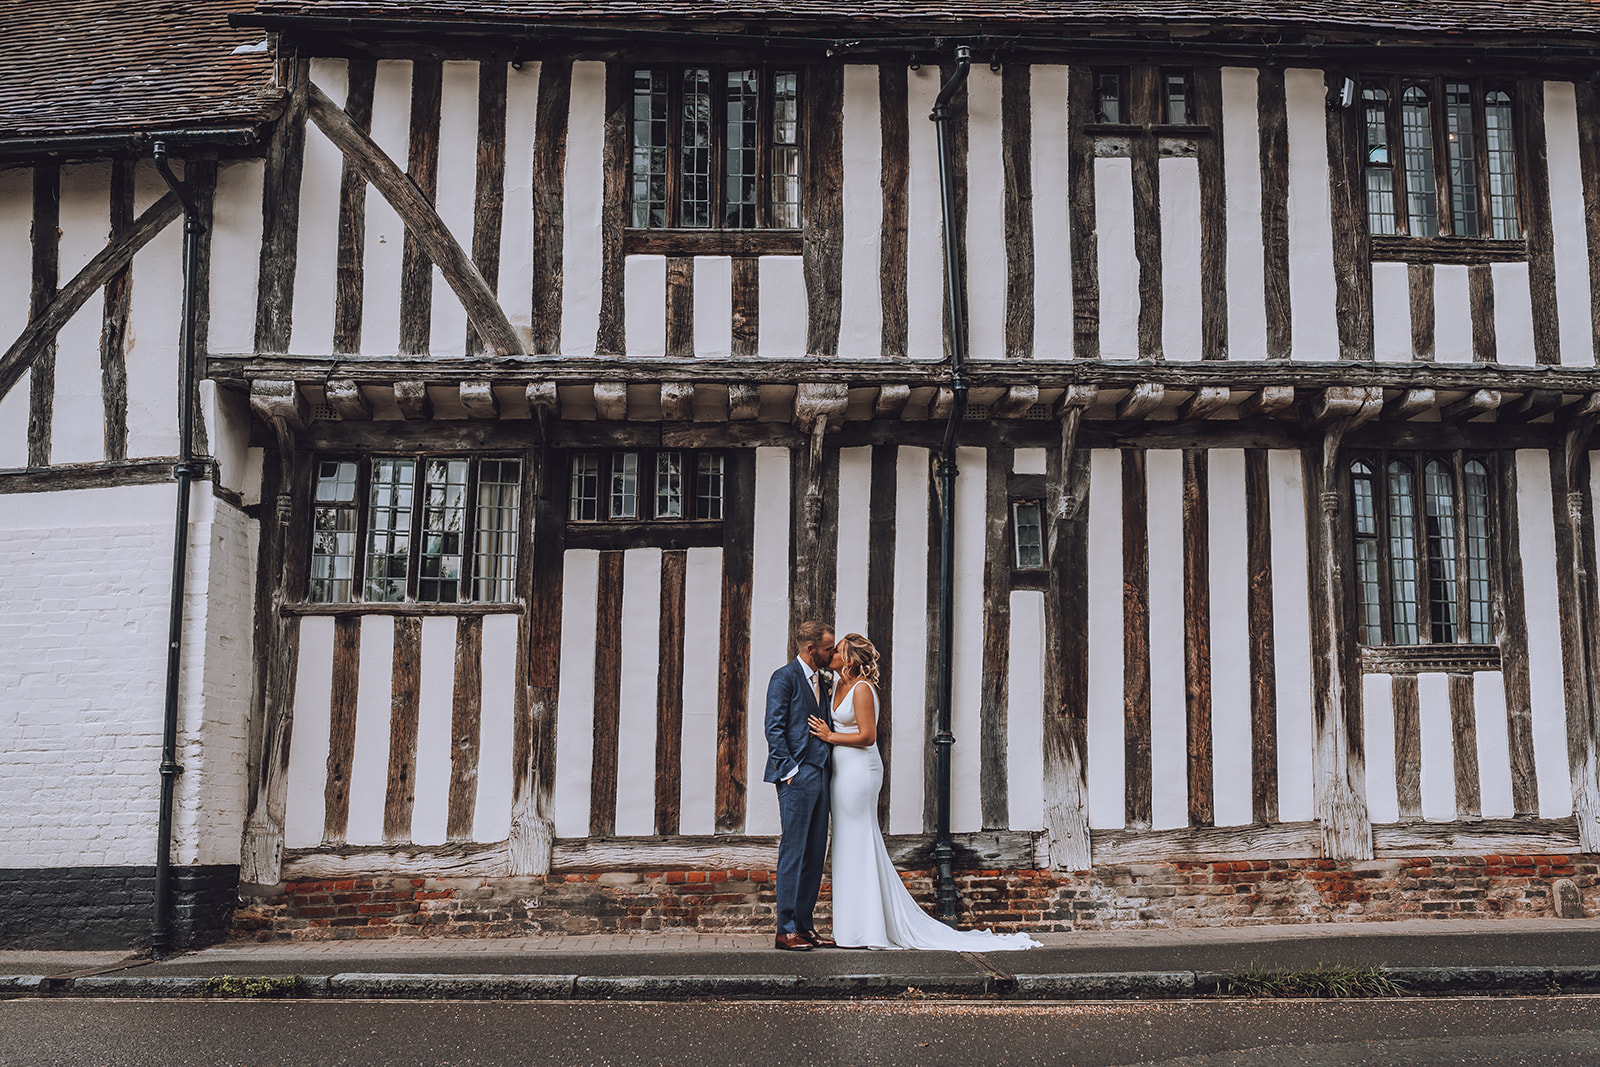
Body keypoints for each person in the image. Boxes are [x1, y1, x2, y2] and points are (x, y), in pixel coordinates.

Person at [808, 634, 1040, 951]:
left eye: (837, 651)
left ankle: (870, 928)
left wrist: (829, 735)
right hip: (841, 774)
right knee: (847, 845)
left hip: (860, 773)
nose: (832, 654)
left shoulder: (862, 689)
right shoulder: (836, 684)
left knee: (859, 840)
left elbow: (867, 737)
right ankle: (852, 928)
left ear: (849, 659)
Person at [763, 620, 838, 951]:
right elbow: (774, 729)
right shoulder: (784, 677)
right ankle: (785, 929)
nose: (832, 653)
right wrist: (789, 771)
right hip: (797, 775)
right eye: (828, 649)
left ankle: (805, 926)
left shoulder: (822, 679)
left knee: (815, 852)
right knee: (793, 850)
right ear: (811, 649)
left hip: (821, 773)